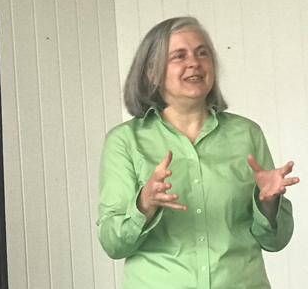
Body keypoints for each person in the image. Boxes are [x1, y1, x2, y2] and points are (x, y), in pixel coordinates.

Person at [97, 16, 300, 289]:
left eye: (202, 53)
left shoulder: (247, 134)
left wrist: (268, 204)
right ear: (151, 72)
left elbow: (276, 241)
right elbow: (113, 244)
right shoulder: (125, 141)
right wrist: (143, 204)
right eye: (179, 55)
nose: (194, 62)